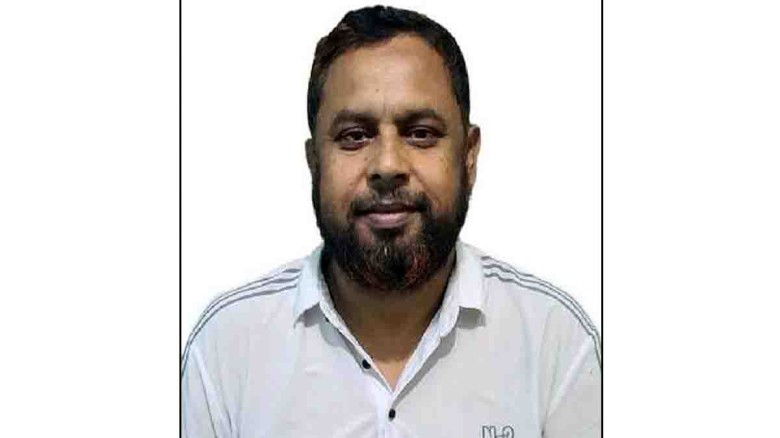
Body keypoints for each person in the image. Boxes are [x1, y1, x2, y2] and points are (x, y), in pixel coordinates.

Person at [181, 5, 601, 438]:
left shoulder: (555, 344)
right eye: (354, 136)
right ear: (314, 162)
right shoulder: (226, 350)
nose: (387, 165)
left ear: (469, 156)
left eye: (420, 133)